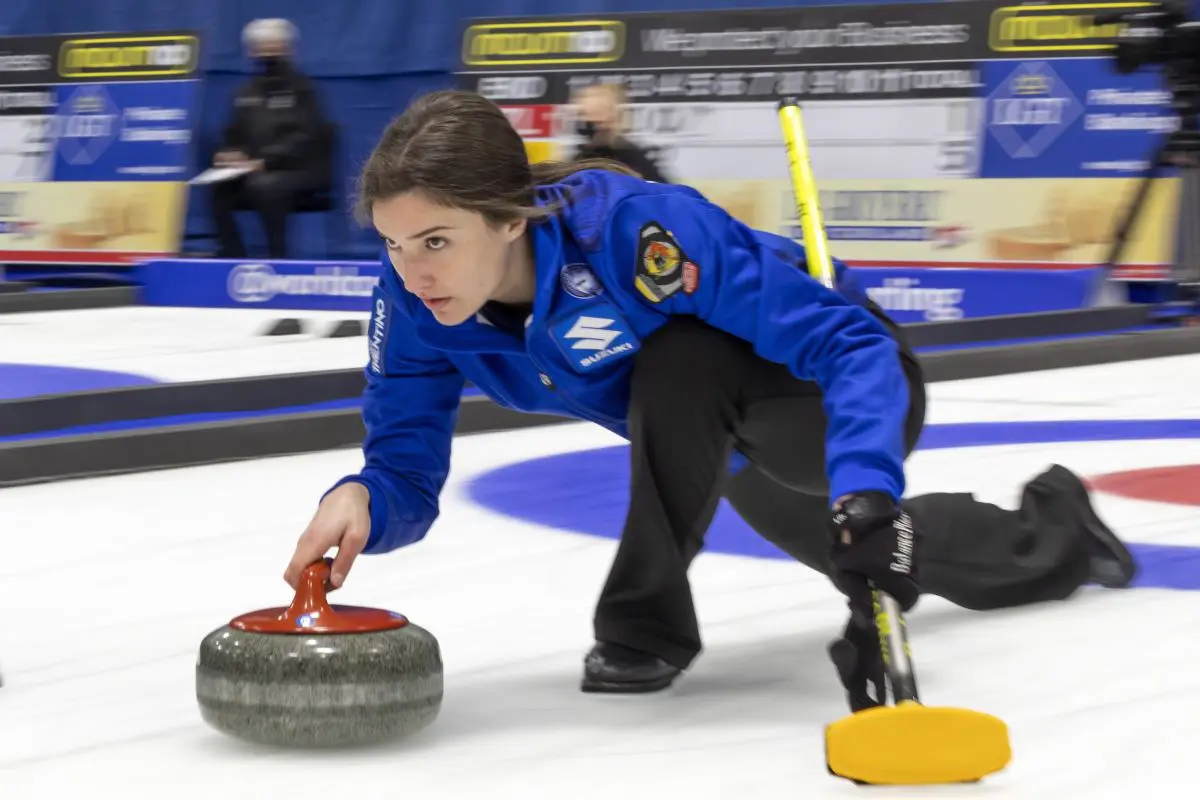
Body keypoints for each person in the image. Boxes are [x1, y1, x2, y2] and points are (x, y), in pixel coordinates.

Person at [284, 90, 1136, 710]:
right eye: (395, 245)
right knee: (852, 543)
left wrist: (869, 485)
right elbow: (402, 464)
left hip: (835, 386)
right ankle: (1056, 528)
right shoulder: (413, 306)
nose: (412, 270)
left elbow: (853, 347)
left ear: (512, 218)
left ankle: (642, 629)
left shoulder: (638, 234)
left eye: (436, 241)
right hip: (708, 436)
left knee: (681, 361)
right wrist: (364, 497)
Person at [209, 18, 332, 259]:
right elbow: (233, 133)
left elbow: (306, 138)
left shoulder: (303, 89)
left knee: (264, 186)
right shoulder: (245, 92)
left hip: (301, 172)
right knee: (219, 188)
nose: (266, 54)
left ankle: (278, 258)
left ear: (287, 49)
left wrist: (265, 161)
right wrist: (229, 152)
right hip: (253, 171)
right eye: (260, 48)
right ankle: (233, 256)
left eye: (272, 47)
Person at [571, 83, 671, 184]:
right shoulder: (583, 158)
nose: (589, 124)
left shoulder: (631, 158)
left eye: (596, 116)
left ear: (612, 114)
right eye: (584, 115)